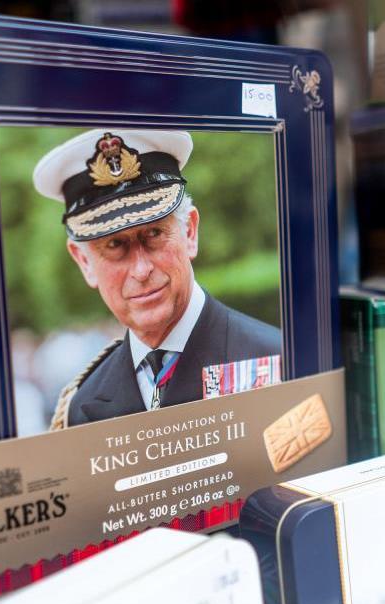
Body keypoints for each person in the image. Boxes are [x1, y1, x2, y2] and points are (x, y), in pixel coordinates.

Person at [32, 128, 281, 427]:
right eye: (115, 245)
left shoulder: (278, 363)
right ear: (84, 261)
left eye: (153, 233)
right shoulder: (82, 406)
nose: (141, 270)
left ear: (189, 231)